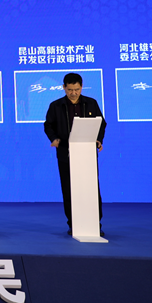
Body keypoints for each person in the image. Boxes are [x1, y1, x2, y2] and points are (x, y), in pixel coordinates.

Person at [44, 72, 106, 235]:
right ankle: (74, 224)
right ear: (64, 88)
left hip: (87, 154)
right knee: (69, 190)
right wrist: (54, 138)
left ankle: (95, 224)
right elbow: (48, 125)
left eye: (77, 89)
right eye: (70, 89)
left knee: (91, 189)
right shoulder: (56, 106)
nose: (73, 93)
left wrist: (98, 139)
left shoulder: (91, 103)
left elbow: (101, 123)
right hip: (65, 153)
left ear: (82, 87)